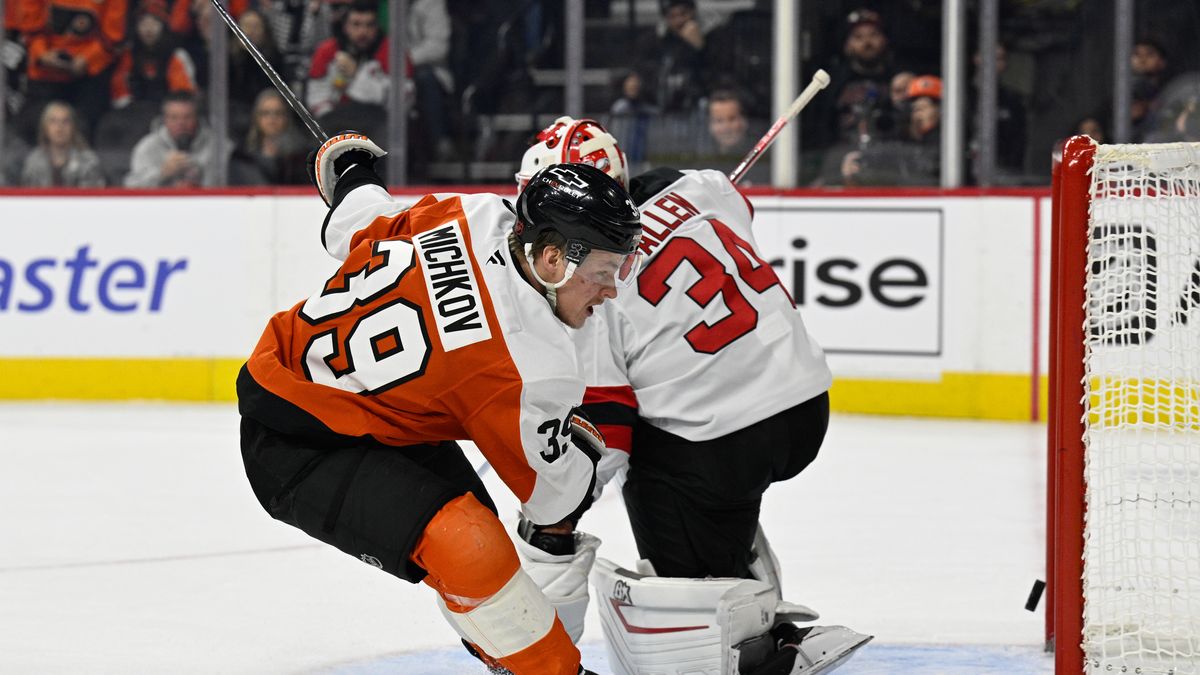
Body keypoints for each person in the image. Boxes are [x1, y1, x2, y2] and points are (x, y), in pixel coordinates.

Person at [237, 130, 644, 675]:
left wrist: (354, 178)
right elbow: (554, 502)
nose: (611, 291)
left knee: (475, 536)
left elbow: (366, 228)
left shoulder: (475, 215)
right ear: (552, 259)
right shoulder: (531, 367)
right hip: (295, 440)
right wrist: (583, 456)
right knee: (468, 543)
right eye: (601, 274)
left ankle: (511, 652)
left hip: (369, 408)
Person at [509, 117, 871, 675]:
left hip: (722, 440)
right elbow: (733, 209)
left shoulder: (591, 282)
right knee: (698, 452)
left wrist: (560, 510)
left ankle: (749, 649)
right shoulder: (703, 187)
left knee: (654, 465)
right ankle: (759, 603)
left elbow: (609, 426)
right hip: (805, 407)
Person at [305, 0, 389, 139]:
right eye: (356, 24)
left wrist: (356, 75)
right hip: (335, 121)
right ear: (345, 27)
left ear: (377, 26)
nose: (363, 31)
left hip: (378, 121)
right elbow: (316, 99)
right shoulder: (327, 51)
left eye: (369, 25)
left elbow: (400, 101)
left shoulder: (391, 52)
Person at [125, 91, 226, 187]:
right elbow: (132, 188)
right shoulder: (147, 148)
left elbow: (232, 185)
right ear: (165, 119)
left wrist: (199, 177)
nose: (181, 123)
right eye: (174, 117)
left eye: (187, 117)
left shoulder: (219, 146)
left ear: (197, 118)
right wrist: (162, 173)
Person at [109, 0, 198, 110]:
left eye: (154, 23)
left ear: (163, 27)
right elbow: (119, 85)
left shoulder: (176, 55)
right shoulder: (129, 54)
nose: (148, 29)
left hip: (167, 114)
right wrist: (127, 107)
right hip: (134, 111)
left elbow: (182, 91)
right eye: (143, 23)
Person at [229, 88, 308, 185]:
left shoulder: (300, 160)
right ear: (256, 118)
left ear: (287, 118)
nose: (272, 119)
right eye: (265, 113)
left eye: (278, 113)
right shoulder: (242, 157)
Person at [20, 100, 105, 187]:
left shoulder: (89, 161)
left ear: (73, 127)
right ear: (45, 128)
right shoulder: (33, 162)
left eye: (65, 121)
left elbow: (93, 197)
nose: (59, 127)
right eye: (53, 121)